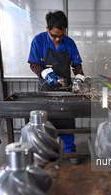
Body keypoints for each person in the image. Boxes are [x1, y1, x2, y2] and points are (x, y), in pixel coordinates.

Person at [28, 10, 86, 161]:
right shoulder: (38, 41)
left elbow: (77, 64)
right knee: (46, 123)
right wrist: (45, 73)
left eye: (62, 35)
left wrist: (79, 76)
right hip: (45, 89)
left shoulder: (69, 42)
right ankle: (47, 152)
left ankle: (69, 152)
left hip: (65, 90)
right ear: (47, 29)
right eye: (54, 35)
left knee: (66, 120)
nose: (58, 39)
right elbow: (33, 64)